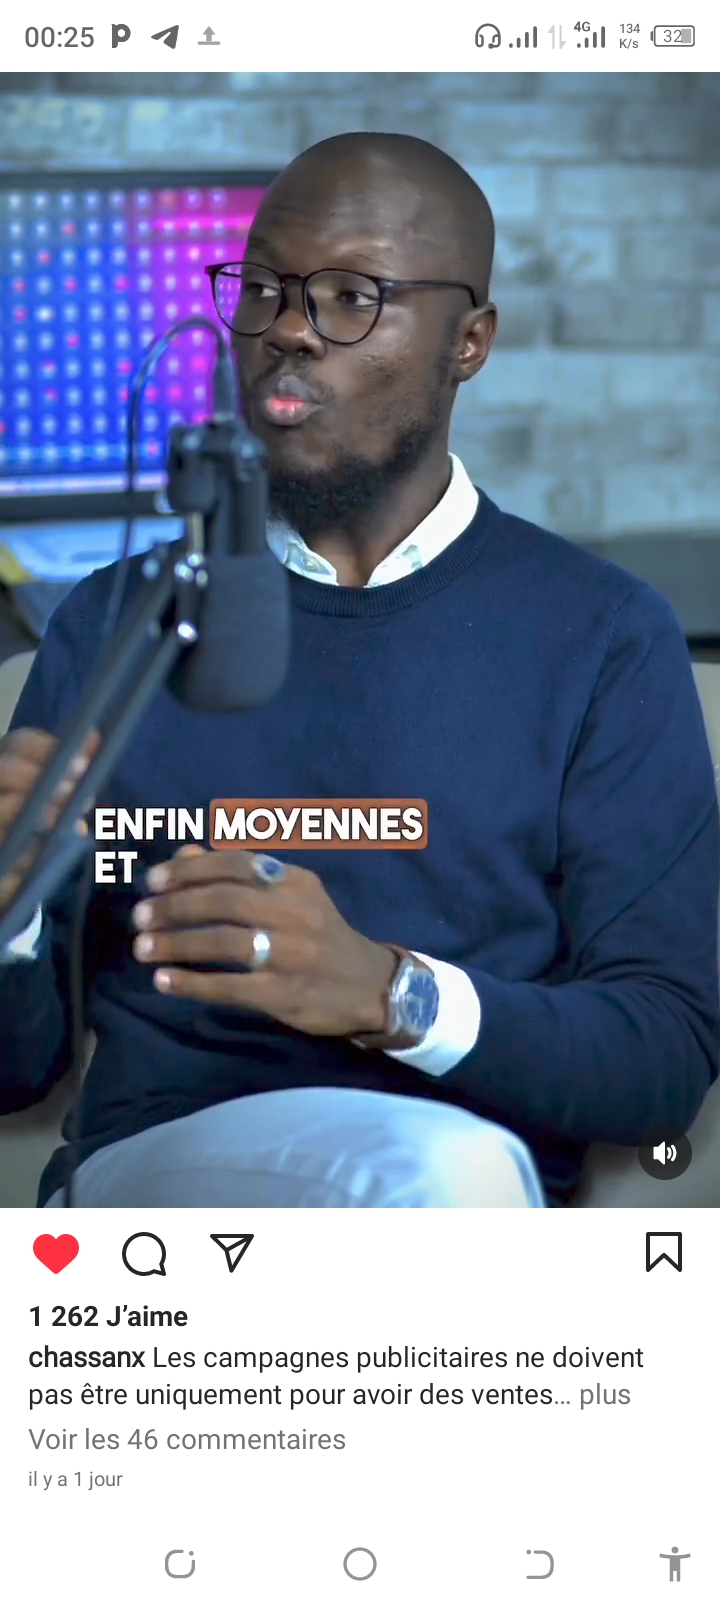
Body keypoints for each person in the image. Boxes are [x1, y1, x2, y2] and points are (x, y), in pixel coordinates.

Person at [0, 132, 718, 1209]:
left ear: (469, 342)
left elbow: (660, 1056)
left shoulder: (605, 637)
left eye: (352, 296)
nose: (289, 329)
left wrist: (390, 994)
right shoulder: (115, 622)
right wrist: (11, 918)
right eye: (265, 289)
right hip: (161, 1184)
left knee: (445, 1171)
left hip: (469, 1199)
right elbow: (19, 1072)